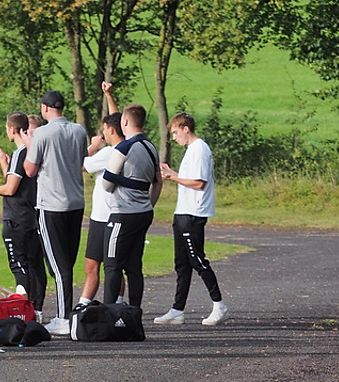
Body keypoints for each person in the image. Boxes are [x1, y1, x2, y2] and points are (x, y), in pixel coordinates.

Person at [23, 90, 88, 335]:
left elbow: (30, 170)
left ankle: (63, 317)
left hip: (51, 204)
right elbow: (82, 160)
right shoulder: (79, 130)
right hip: (75, 202)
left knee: (59, 267)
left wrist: (29, 145)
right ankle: (65, 311)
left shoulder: (42, 133)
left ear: (45, 108)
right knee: (66, 262)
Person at [155, 112, 229, 325]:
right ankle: (177, 309)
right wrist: (173, 173)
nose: (174, 137)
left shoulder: (200, 149)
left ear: (185, 129)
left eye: (175, 132)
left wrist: (173, 177)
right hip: (183, 212)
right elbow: (189, 179)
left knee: (197, 260)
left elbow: (199, 183)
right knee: (182, 264)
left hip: (194, 213)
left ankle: (219, 304)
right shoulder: (191, 150)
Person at [0, 112, 45, 316]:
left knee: (19, 264)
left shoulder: (20, 153)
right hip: (32, 216)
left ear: (12, 129)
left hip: (17, 217)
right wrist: (3, 163)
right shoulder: (33, 154)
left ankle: (22, 310)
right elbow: (19, 184)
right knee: (35, 264)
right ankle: (37, 310)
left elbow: (10, 189)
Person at [102, 104, 163, 307]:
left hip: (122, 213)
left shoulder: (123, 148)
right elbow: (158, 182)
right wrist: (148, 203)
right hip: (143, 213)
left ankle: (109, 313)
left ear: (125, 121)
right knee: (134, 266)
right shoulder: (151, 147)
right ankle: (135, 312)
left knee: (112, 265)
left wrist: (123, 182)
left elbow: (107, 183)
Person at [80, 82, 125, 305]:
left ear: (111, 130)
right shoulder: (128, 145)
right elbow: (117, 120)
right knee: (112, 265)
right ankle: (117, 302)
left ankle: (87, 304)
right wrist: (108, 95)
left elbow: (80, 165)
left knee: (98, 265)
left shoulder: (108, 152)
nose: (103, 132)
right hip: (110, 214)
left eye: (104, 129)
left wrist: (92, 146)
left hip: (104, 216)